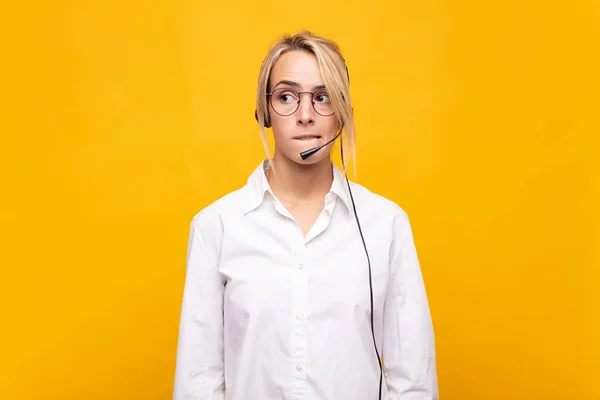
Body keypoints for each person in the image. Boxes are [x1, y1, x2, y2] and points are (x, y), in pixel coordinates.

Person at [173, 30, 438, 400]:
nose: (305, 115)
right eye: (286, 97)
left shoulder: (386, 225)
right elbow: (197, 382)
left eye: (322, 97)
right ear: (264, 111)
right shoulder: (216, 227)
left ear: (341, 112)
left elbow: (413, 380)